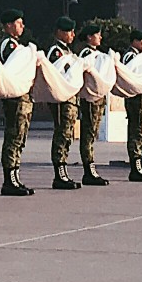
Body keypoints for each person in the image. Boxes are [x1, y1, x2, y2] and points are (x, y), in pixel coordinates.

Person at [0, 10, 35, 196]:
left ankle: (15, 176)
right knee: (13, 137)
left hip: (23, 98)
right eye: (19, 23)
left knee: (19, 138)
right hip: (15, 99)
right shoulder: (9, 45)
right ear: (10, 25)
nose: (22, 26)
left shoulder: (18, 45)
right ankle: (9, 179)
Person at [45, 17, 87, 189]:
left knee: (67, 135)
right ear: (60, 32)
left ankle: (63, 170)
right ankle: (59, 173)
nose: (73, 35)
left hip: (71, 99)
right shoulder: (56, 52)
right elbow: (56, 74)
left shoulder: (68, 52)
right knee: (62, 134)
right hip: (62, 100)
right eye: (69, 31)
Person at [74, 24, 110, 185]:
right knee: (88, 134)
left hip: (97, 99)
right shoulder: (87, 54)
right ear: (89, 37)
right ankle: (88, 169)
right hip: (90, 98)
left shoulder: (97, 54)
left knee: (92, 133)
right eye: (97, 35)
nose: (100, 38)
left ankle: (90, 167)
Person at [119, 30, 142, 182]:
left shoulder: (141, 57)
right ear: (134, 41)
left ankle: (138, 165)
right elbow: (131, 74)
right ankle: (136, 167)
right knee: (137, 132)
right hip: (137, 99)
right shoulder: (131, 56)